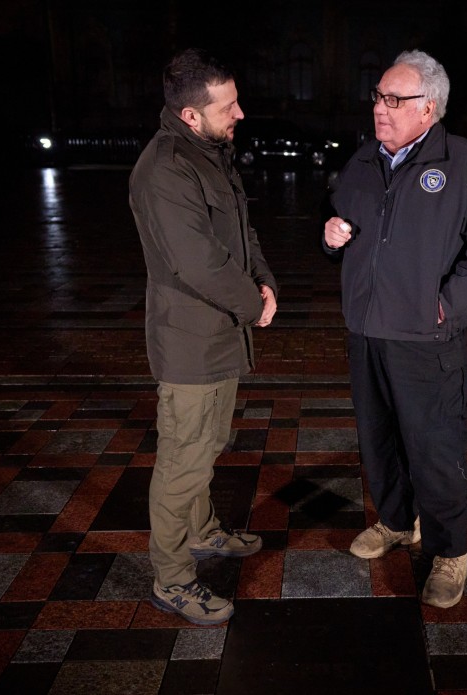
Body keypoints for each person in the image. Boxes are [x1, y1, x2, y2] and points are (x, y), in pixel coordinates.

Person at [322, 50, 467, 608]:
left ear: (428, 108)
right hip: (365, 332)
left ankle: (451, 550)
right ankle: (395, 521)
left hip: (427, 342)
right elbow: (343, 225)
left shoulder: (464, 165)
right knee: (377, 441)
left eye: (394, 100)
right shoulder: (361, 163)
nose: (380, 109)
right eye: (378, 97)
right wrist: (329, 234)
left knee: (434, 448)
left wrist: (445, 304)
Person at [129, 47, 277, 625]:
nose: (240, 112)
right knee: (181, 463)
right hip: (191, 341)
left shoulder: (209, 153)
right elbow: (197, 264)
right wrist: (254, 306)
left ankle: (202, 531)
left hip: (221, 334)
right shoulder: (165, 167)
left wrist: (264, 280)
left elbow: (241, 232)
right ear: (192, 114)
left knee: (207, 448)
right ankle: (172, 579)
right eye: (229, 105)